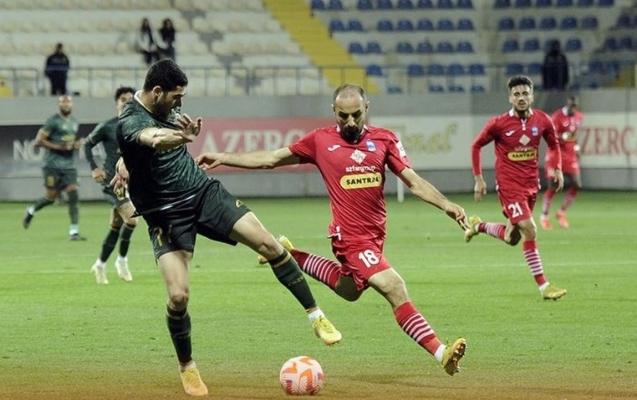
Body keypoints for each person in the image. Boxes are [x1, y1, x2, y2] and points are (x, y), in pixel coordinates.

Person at [196, 83, 469, 376]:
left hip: (375, 237)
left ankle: (290, 255)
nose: (350, 122)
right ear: (333, 112)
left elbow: (413, 181)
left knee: (348, 290)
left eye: (356, 115)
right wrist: (224, 157)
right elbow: (271, 159)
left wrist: (446, 204)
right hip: (350, 239)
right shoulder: (320, 141)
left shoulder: (385, 139)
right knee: (395, 287)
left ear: (367, 108)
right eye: (343, 116)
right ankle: (441, 353)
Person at [112, 59, 341, 396]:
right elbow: (153, 138)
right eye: (177, 97)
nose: (180, 103)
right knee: (178, 296)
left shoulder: (164, 106)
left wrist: (125, 160)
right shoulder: (131, 118)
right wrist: (181, 137)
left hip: (202, 193)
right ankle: (187, 366)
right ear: (157, 91)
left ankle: (315, 315)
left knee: (270, 244)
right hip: (165, 214)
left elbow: (138, 147)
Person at [465, 75, 567, 301]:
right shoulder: (499, 123)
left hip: (531, 185)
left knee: (512, 238)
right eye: (516, 94)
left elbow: (554, 145)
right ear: (510, 98)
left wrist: (557, 168)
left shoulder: (542, 120)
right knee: (530, 229)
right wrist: (479, 179)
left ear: (532, 96)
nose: (521, 98)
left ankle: (478, 226)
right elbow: (476, 146)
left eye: (525, 93)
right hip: (509, 186)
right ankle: (544, 286)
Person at [84, 87, 137, 284]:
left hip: (132, 181)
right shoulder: (108, 126)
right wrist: (94, 168)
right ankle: (122, 261)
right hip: (113, 181)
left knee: (116, 226)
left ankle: (99, 265)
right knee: (132, 220)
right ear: (116, 103)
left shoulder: (139, 126)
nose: (127, 102)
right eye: (123, 99)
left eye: (130, 99)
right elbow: (87, 144)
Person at [23, 95, 85, 241]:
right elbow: (38, 141)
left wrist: (76, 144)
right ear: (59, 105)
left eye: (68, 102)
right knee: (51, 198)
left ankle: (74, 231)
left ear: (72, 104)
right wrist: (58, 147)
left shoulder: (74, 122)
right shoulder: (52, 121)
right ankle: (31, 210)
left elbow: (71, 142)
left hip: (69, 166)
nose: (66, 104)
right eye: (63, 102)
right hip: (52, 166)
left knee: (73, 194)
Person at [540, 96, 583, 230]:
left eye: (575, 107)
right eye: (571, 106)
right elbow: (549, 136)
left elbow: (575, 134)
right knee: (553, 186)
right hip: (555, 154)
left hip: (570, 155)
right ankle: (544, 216)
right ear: (567, 105)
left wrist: (576, 147)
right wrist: (561, 137)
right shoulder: (557, 117)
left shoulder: (578, 116)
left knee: (577, 184)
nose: (573, 109)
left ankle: (561, 212)